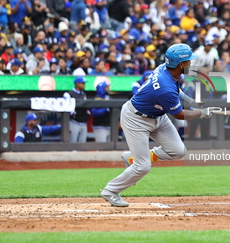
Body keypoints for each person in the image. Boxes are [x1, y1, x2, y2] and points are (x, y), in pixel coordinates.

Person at [100, 43, 213, 207]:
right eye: (188, 61)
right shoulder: (165, 87)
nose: (190, 64)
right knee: (143, 166)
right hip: (136, 119)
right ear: (181, 64)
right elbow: (178, 114)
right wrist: (200, 113)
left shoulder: (166, 69)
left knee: (178, 151)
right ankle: (111, 190)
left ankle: (131, 158)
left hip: (157, 116)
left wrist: (191, 101)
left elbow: (177, 90)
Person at [66, 77, 91, 143]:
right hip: (74, 122)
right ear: (77, 84)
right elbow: (66, 110)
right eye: (83, 83)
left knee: (82, 145)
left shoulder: (84, 94)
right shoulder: (69, 94)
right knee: (72, 144)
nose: (84, 85)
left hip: (83, 123)